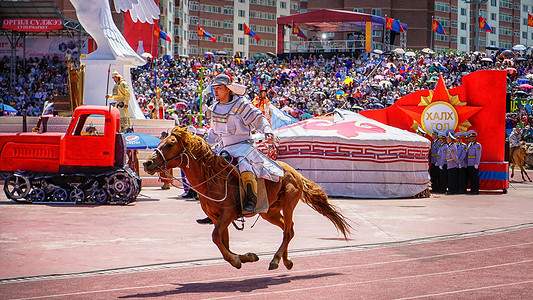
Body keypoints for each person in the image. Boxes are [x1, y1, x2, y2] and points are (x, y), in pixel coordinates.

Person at [204, 73, 283, 215]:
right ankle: (214, 209)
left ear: (228, 89)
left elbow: (259, 118)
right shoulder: (214, 107)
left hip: (243, 146)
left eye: (219, 88)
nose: (215, 91)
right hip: (223, 148)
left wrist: (266, 130)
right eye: (214, 88)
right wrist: (204, 144)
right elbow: (214, 133)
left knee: (244, 166)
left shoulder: (241, 104)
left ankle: (251, 202)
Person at [466, 130, 482, 194]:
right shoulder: (469, 145)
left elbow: (478, 155)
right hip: (469, 163)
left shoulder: (477, 145)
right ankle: (472, 189)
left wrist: (476, 163)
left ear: (475, 138)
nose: (471, 138)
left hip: (474, 163)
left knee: (475, 177)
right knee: (471, 177)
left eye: (473, 137)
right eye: (470, 137)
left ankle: (476, 190)